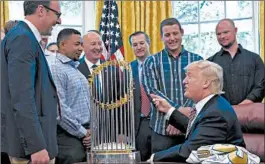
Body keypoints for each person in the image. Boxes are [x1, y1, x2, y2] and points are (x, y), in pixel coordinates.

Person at [148, 60, 245, 162]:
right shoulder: (213, 105)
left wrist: (153, 158)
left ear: (206, 83)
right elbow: (196, 129)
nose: (184, 81)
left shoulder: (215, 113)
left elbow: (190, 150)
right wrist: (169, 110)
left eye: (189, 76)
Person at [1, 1, 61, 164]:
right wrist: (36, 146)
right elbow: (22, 98)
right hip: (31, 150)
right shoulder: (22, 38)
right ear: (41, 10)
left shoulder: (24, 36)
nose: (59, 21)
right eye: (58, 14)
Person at [142, 17, 203, 153]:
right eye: (167, 35)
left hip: (191, 128)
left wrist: (180, 118)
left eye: (175, 33)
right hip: (162, 129)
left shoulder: (197, 60)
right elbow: (153, 93)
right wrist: (177, 113)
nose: (172, 38)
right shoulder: (150, 62)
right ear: (161, 37)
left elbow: (202, 92)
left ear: (182, 32)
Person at [49, 28, 90, 164]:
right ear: (62, 45)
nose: (81, 48)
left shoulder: (74, 69)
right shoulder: (56, 68)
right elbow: (60, 111)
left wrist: (89, 132)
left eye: (82, 45)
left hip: (84, 132)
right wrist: (83, 133)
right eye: (77, 44)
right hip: (66, 135)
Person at [208, 18, 264, 105]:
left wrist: (246, 103)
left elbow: (261, 86)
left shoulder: (255, 59)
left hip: (251, 112)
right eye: (218, 34)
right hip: (222, 114)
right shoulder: (210, 63)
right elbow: (208, 92)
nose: (222, 36)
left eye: (226, 32)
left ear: (235, 30)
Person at [129, 31, 152, 161]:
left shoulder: (159, 63)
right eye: (135, 44)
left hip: (158, 122)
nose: (139, 47)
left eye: (142, 43)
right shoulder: (128, 68)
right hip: (138, 124)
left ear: (148, 43)